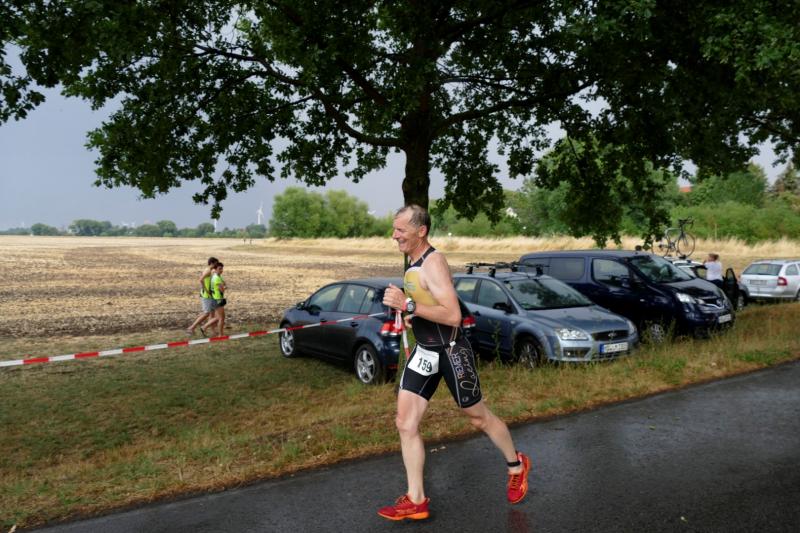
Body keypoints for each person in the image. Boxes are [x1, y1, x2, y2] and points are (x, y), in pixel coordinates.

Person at [377, 204, 531, 522]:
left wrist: (408, 304)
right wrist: (410, 314)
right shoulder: (413, 262)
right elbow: (427, 305)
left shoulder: (433, 263)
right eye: (394, 229)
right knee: (405, 423)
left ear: (421, 231)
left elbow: (453, 316)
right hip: (425, 351)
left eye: (401, 230)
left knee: (478, 418)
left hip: (451, 350)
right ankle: (416, 499)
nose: (394, 235)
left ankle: (516, 465)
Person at [187, 257, 219, 336]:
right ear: (212, 263)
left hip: (209, 295)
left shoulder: (209, 270)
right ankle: (191, 328)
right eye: (216, 263)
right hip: (206, 295)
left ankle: (213, 331)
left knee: (212, 313)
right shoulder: (208, 271)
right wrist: (207, 291)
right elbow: (201, 279)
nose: (217, 265)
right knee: (206, 313)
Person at [202, 262, 227, 336]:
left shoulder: (216, 276)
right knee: (221, 318)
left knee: (218, 317)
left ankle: (204, 327)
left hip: (215, 299)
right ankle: (220, 335)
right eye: (219, 269)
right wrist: (224, 287)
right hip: (218, 299)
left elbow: (224, 283)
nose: (221, 270)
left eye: (222, 269)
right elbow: (222, 289)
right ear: (215, 269)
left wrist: (223, 286)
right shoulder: (217, 278)